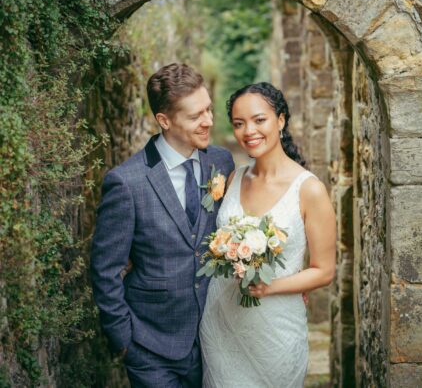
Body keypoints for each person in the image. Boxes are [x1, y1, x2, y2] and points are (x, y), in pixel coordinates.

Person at [90, 63, 235, 387]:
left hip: (216, 342)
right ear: (164, 120)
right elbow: (105, 269)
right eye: (196, 115)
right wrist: (124, 341)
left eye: (209, 110)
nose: (209, 121)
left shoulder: (221, 163)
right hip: (151, 347)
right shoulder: (126, 183)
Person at [199, 82, 336, 387]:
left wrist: (270, 286)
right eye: (239, 123)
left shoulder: (309, 190)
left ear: (281, 120)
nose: (249, 131)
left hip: (275, 329)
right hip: (221, 321)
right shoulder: (234, 178)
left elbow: (324, 271)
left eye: (259, 120)